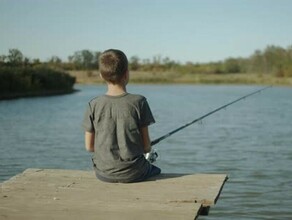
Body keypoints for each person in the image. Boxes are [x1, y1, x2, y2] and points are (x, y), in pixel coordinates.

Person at [82, 49, 161, 183]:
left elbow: (89, 147)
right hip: (135, 173)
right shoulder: (139, 102)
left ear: (101, 75)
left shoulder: (93, 104)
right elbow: (147, 146)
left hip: (103, 173)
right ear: (126, 74)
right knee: (156, 170)